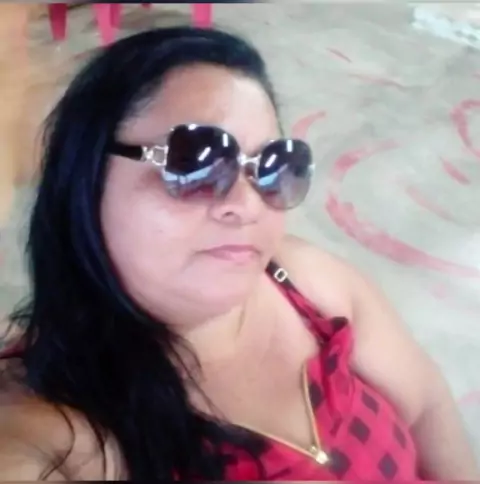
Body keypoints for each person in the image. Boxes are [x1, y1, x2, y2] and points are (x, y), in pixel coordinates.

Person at [0, 26, 478, 481]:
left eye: (273, 166)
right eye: (196, 162)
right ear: (85, 178)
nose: (247, 205)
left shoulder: (303, 280)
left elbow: (427, 404)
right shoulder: (55, 428)